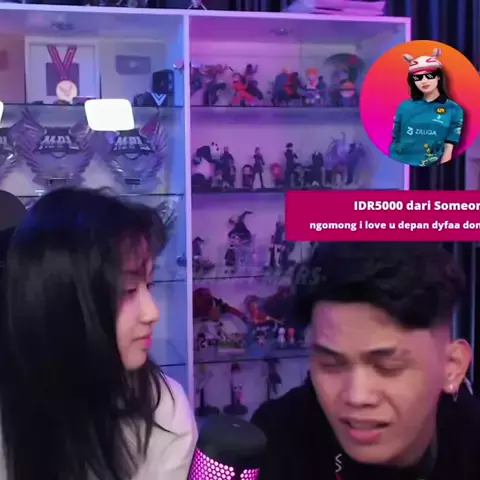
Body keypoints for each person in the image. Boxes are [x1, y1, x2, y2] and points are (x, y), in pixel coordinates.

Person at [0, 187, 197, 480]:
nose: (152, 312)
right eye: (127, 290)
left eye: (149, 286)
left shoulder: (164, 408)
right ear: (61, 300)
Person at [251, 243, 480, 480]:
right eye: (331, 364)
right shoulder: (276, 439)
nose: (357, 397)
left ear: (451, 367)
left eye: (388, 367)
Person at [389, 48, 464, 167]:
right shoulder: (404, 107)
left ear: (438, 76)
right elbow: (395, 138)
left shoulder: (454, 109)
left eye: (429, 76)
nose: (423, 81)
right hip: (399, 164)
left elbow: (448, 148)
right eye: (418, 78)